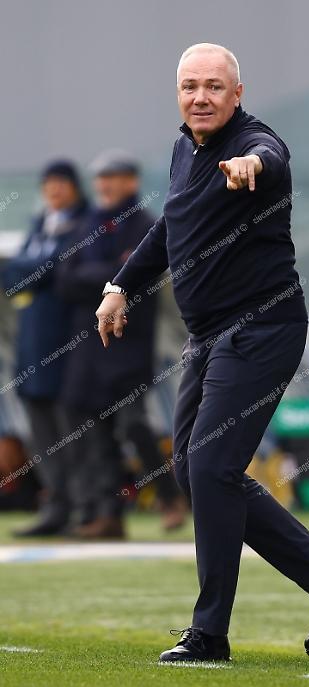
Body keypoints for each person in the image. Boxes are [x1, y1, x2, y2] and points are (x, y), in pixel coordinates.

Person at [95, 43, 309, 663]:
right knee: (193, 471)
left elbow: (269, 158)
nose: (201, 97)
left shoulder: (254, 142)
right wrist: (119, 288)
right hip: (208, 336)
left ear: (237, 94)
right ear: (178, 94)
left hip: (261, 328)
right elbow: (168, 229)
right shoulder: (184, 151)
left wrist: (251, 164)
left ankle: (210, 634)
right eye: (190, 86)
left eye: (214, 87)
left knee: (213, 468)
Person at [58, 150, 186, 538]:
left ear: (131, 181)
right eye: (101, 178)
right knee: (95, 431)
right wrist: (110, 274)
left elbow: (135, 274)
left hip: (128, 343)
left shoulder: (145, 225)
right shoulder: (88, 224)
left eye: (112, 177)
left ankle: (170, 495)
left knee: (134, 426)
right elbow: (66, 279)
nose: (105, 185)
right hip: (89, 345)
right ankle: (108, 513)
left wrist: (101, 276)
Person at [0, 160, 88, 536]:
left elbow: (58, 268)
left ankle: (84, 509)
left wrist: (34, 267)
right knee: (42, 437)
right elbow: (11, 276)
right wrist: (36, 268)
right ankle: (55, 507)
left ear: (74, 187)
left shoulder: (83, 223)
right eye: (49, 183)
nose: (54, 190)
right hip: (32, 350)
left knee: (73, 435)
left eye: (61, 183)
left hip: (67, 350)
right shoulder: (40, 225)